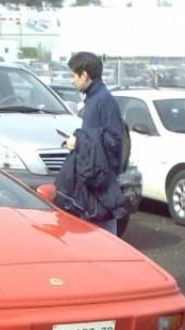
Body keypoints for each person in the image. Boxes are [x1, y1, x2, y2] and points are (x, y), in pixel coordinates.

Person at [60, 51, 126, 235]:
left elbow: (114, 140)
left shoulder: (104, 100)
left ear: (85, 75)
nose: (72, 81)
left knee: (104, 240)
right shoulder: (94, 99)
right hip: (91, 180)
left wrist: (80, 141)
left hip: (101, 186)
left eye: (73, 75)